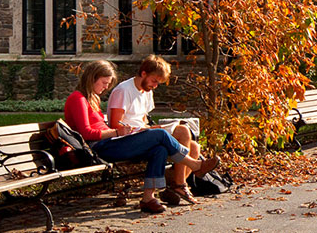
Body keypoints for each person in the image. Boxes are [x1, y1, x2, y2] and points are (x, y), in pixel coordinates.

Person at [64, 60, 218, 215]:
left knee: (159, 149)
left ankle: (148, 198)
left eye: (108, 84)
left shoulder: (92, 99)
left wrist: (122, 132)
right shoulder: (78, 99)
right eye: (104, 83)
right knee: (161, 134)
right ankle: (194, 165)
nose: (105, 88)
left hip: (110, 142)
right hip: (98, 147)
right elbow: (86, 133)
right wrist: (117, 132)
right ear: (92, 78)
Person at [108, 55, 203, 206]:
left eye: (158, 83)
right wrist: (147, 130)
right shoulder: (124, 90)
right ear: (144, 73)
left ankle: (176, 185)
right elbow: (115, 125)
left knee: (191, 143)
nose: (155, 85)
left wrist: (149, 128)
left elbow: (143, 120)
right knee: (165, 135)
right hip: (124, 140)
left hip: (142, 135)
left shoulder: (146, 92)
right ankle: (183, 179)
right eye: (154, 81)